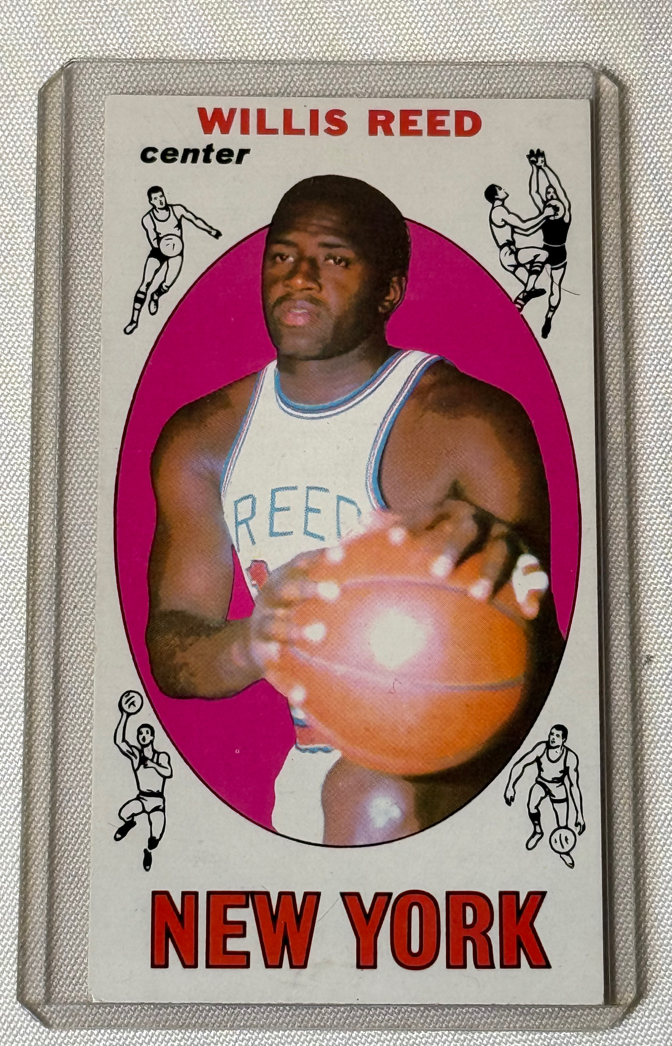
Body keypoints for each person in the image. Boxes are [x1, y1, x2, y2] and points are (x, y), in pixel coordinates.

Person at [145, 174, 564, 845]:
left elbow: (545, 673)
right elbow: (173, 647)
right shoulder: (203, 439)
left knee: (367, 793)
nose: (300, 277)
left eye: (334, 259)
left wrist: (505, 559)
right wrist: (253, 641)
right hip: (313, 783)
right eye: (283, 256)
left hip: (452, 783)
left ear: (388, 290)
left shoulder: (470, 424)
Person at [124, 186, 222, 335]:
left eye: (161, 196)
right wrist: (165, 245)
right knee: (145, 283)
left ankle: (156, 295)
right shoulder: (148, 219)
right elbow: (153, 240)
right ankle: (134, 321)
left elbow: (194, 219)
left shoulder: (177, 210)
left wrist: (210, 230)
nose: (160, 200)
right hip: (159, 251)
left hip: (176, 252)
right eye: (156, 199)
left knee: (167, 284)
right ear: (151, 202)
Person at [503, 724, 584, 867]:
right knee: (531, 805)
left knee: (562, 825)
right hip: (542, 783)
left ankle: (564, 852)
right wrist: (510, 786)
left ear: (563, 740)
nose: (553, 738)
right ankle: (538, 831)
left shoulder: (570, 757)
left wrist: (579, 815)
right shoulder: (542, 748)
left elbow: (574, 786)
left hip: (558, 787)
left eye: (557, 736)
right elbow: (520, 764)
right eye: (552, 734)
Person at [113, 712, 172, 871]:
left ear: (152, 737)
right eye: (140, 734)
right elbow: (119, 742)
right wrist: (125, 715)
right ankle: (130, 823)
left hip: (157, 802)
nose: (143, 736)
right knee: (123, 814)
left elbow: (168, 772)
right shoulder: (136, 756)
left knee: (155, 837)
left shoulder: (161, 757)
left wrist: (153, 765)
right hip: (142, 798)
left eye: (146, 733)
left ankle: (148, 851)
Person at [484, 183, 558, 310]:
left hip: (507, 256)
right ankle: (528, 290)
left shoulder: (499, 211)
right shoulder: (499, 211)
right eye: (500, 189)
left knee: (529, 290)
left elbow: (527, 231)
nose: (504, 189)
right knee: (542, 254)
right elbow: (525, 226)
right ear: (496, 196)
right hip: (509, 253)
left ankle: (516, 307)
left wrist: (545, 217)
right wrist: (545, 214)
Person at [526, 149, 572, 338]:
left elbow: (559, 189)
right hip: (545, 250)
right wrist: (534, 169)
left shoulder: (565, 214)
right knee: (533, 272)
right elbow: (534, 192)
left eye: (553, 194)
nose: (551, 194)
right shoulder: (545, 213)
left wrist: (544, 167)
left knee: (555, 286)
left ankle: (549, 316)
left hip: (559, 253)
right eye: (548, 193)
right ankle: (527, 295)